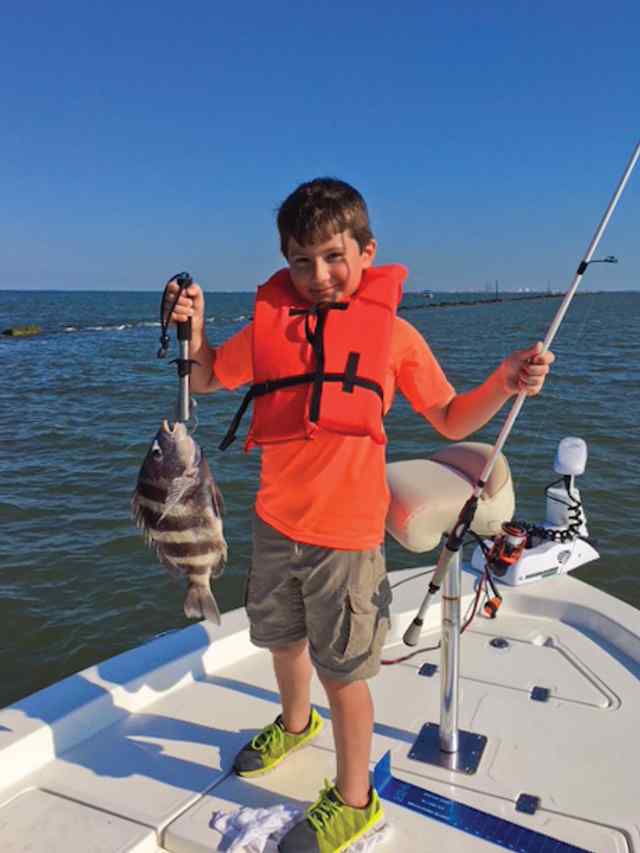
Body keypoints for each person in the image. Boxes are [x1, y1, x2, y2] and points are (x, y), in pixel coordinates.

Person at [166, 178, 555, 853]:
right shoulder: (269, 330)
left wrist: (503, 380)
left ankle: (355, 798)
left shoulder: (394, 335)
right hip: (272, 522)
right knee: (281, 641)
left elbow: (450, 414)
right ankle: (293, 725)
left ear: (367, 251)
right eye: (301, 261)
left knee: (343, 673)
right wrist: (193, 327)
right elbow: (203, 376)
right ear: (285, 262)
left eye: (333, 256)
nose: (318, 275)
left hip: (346, 537)